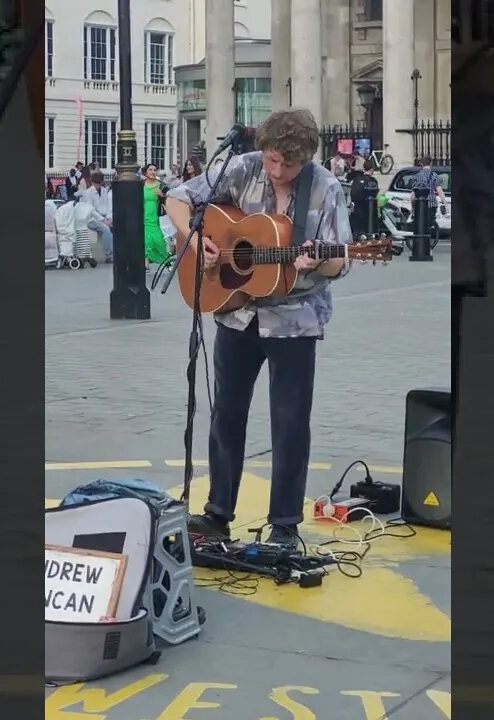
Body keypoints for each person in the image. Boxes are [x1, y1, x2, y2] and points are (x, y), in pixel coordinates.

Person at [166, 108, 353, 548]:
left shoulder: (324, 188)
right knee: (226, 413)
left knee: (290, 421)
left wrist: (316, 260)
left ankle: (285, 524)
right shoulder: (243, 166)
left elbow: (340, 259)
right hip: (235, 310)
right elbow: (178, 198)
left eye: (287, 165)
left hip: (294, 319)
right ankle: (217, 513)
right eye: (271, 160)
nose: (276, 171)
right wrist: (196, 240)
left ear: (305, 158)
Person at [77, 171, 113, 262]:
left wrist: (109, 218)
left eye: (99, 183)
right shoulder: (88, 193)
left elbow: (108, 206)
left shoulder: (105, 191)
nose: (98, 185)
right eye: (96, 183)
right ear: (92, 182)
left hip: (105, 217)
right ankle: (109, 255)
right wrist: (103, 220)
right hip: (92, 219)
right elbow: (91, 210)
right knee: (105, 229)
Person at [142, 163, 170, 267]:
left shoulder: (161, 185)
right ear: (146, 172)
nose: (153, 172)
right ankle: (146, 263)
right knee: (145, 240)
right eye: (150, 170)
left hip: (155, 216)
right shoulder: (141, 184)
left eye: (155, 170)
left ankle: (166, 260)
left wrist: (162, 195)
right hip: (143, 216)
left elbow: (170, 196)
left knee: (158, 240)